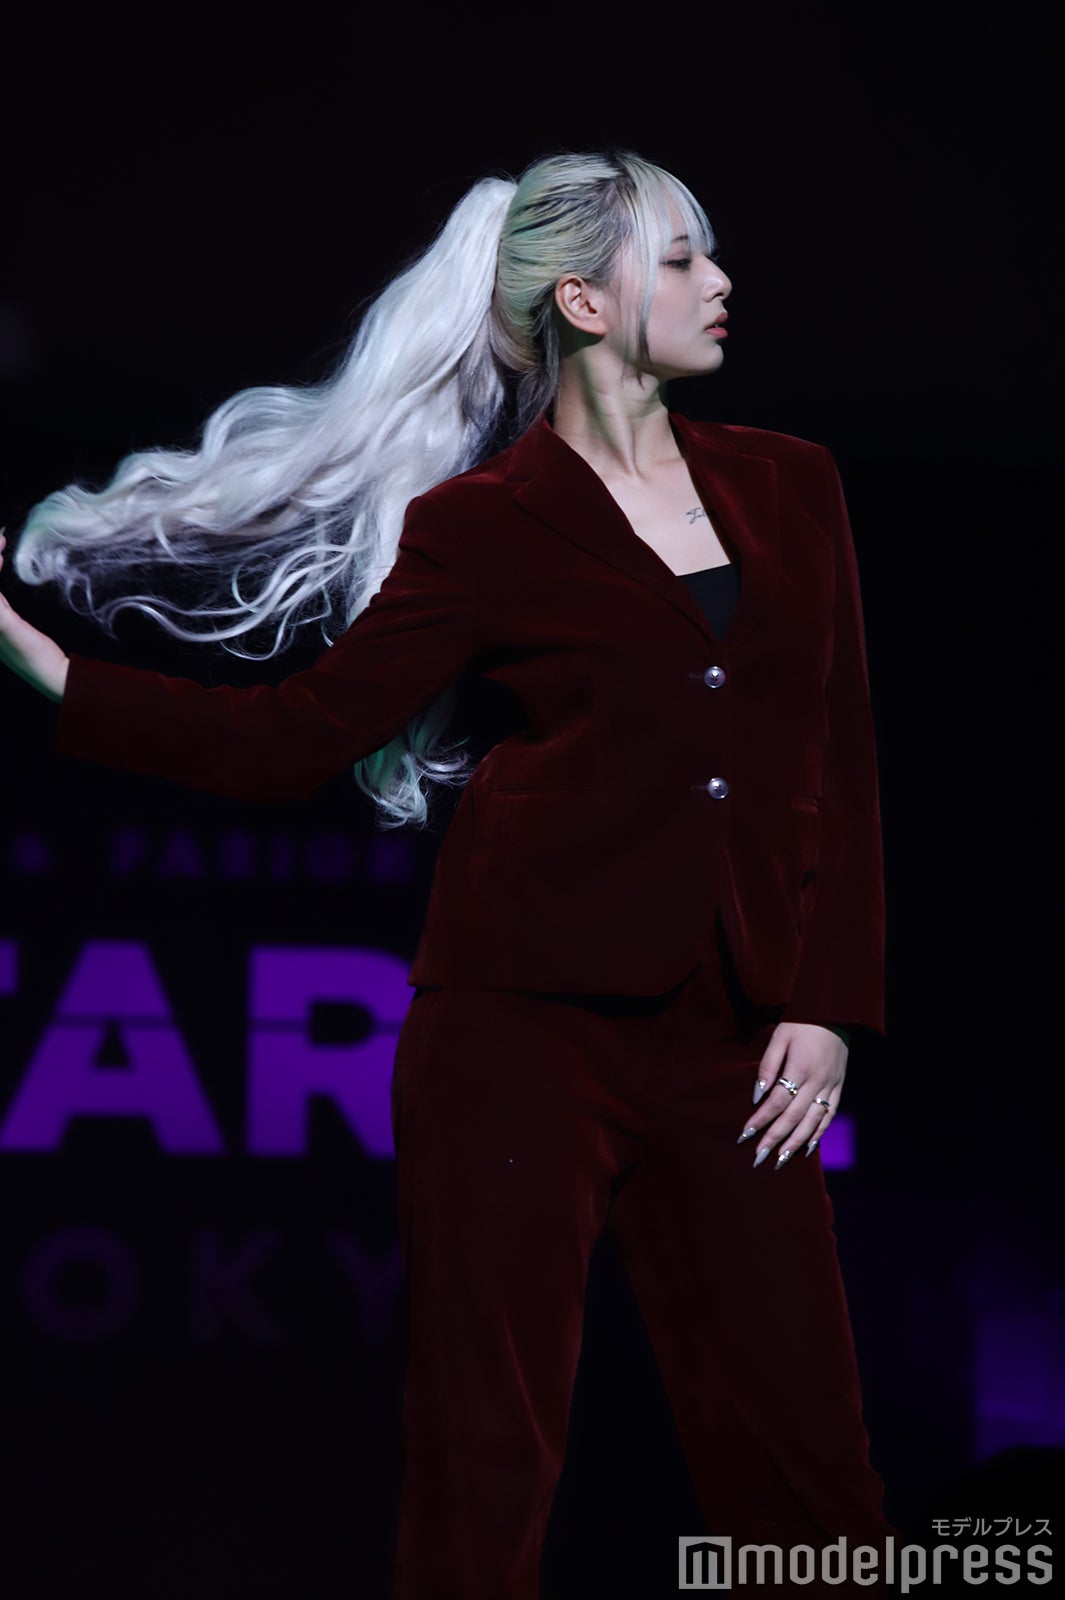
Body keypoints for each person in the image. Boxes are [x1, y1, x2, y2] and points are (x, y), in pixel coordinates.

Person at [0, 150, 897, 1597]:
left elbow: (835, 757)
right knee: (488, 1463)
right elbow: (292, 739)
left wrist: (828, 1001)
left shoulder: (793, 484)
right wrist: (47, 670)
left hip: (734, 1035)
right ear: (585, 303)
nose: (721, 282)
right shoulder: (482, 524)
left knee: (812, 1478)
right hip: (517, 1035)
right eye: (682, 259)